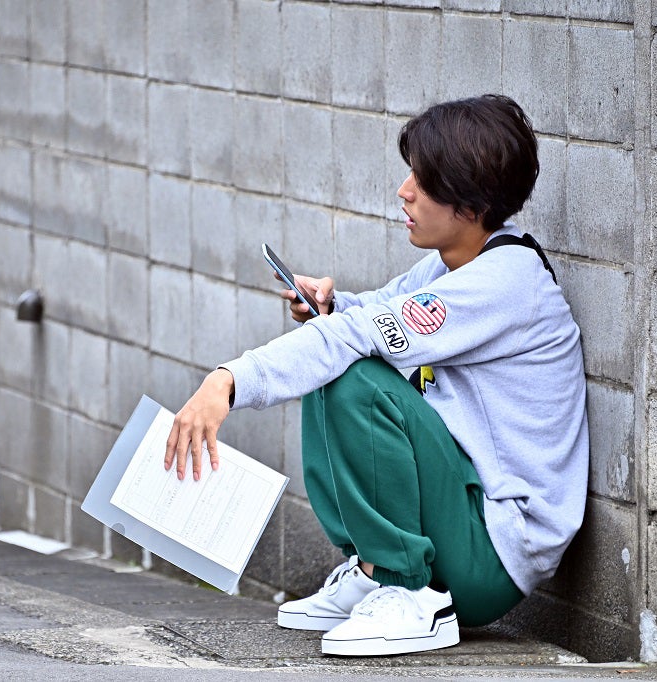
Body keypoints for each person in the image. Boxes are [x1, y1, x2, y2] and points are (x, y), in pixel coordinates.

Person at [163, 94, 588, 657]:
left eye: (424, 182)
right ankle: (373, 569)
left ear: (471, 203)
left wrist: (228, 382)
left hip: (495, 552)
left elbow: (363, 338)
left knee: (353, 375)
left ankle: (407, 588)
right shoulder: (455, 262)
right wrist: (332, 307)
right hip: (466, 518)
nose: (404, 191)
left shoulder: (505, 281)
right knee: (335, 351)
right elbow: (374, 315)